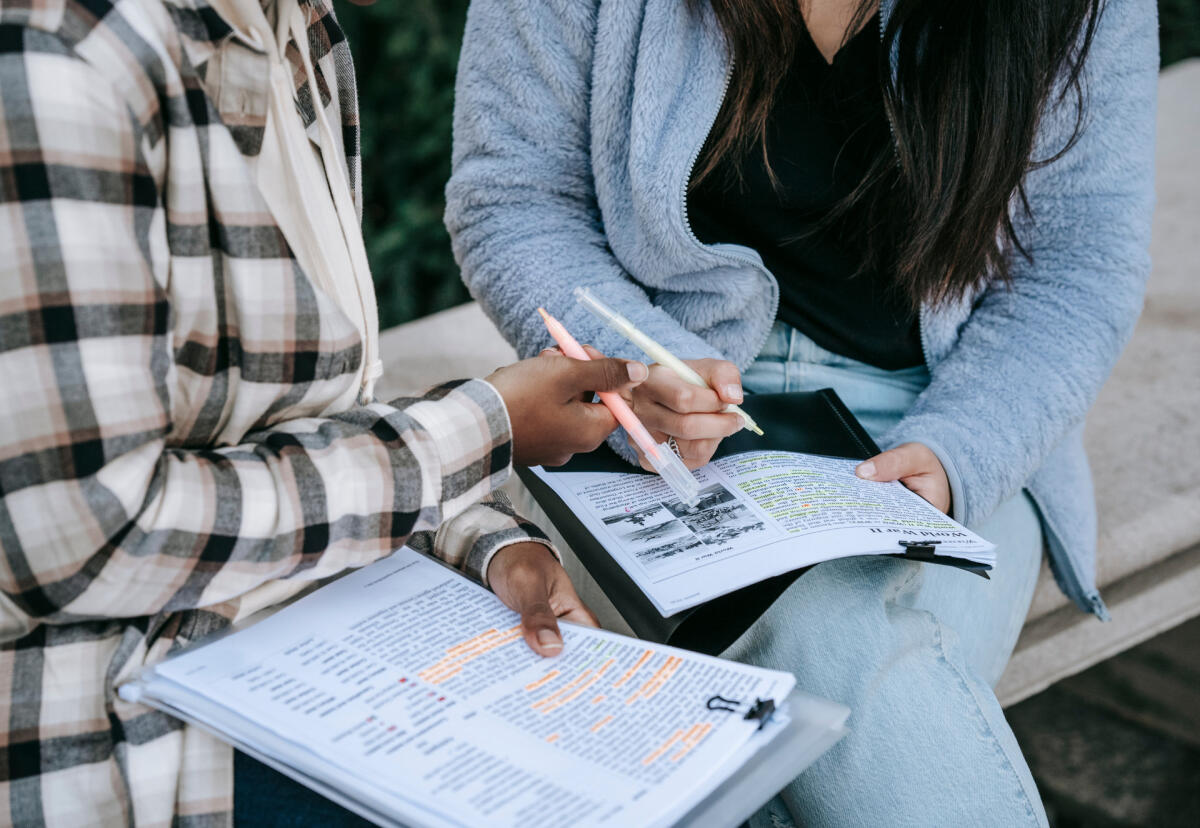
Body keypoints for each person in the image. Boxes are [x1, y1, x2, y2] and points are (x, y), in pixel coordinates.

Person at [446, 0, 1157, 824]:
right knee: (822, 656)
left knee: (803, 643)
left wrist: (964, 449)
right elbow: (515, 197)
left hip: (946, 415)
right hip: (651, 423)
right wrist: (639, 367)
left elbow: (1079, 262)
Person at [0, 0, 648, 823]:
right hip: (137, 725)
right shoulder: (61, 57)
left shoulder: (302, 27)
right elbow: (83, 534)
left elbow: (311, 423)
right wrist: (484, 430)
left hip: (320, 652)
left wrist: (484, 542)